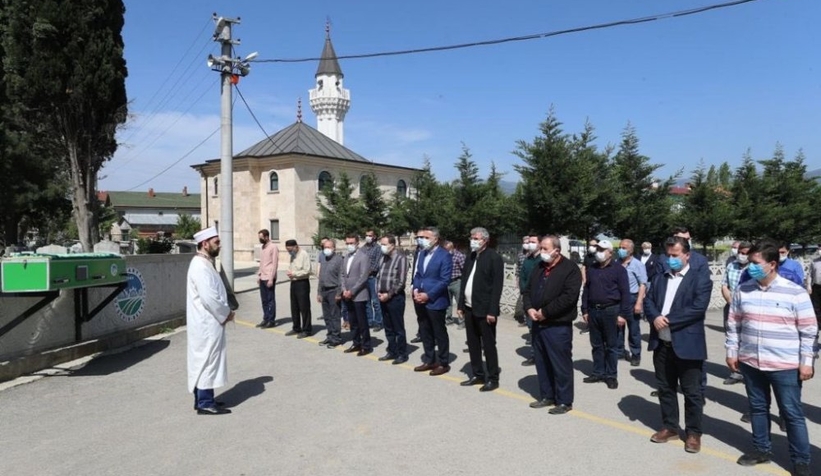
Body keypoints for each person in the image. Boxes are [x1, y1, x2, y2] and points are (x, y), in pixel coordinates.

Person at [726, 240, 816, 476]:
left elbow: (808, 330)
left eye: (755, 263)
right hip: (751, 362)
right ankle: (761, 449)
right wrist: (731, 351)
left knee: (792, 413)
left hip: (784, 365)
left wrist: (807, 362)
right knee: (757, 408)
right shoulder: (743, 290)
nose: (750, 267)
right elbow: (733, 323)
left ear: (772, 264)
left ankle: (801, 459)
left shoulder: (794, 292)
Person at [644, 236, 712, 454]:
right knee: (665, 388)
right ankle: (670, 427)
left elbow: (698, 308)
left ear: (687, 255)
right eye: (669, 255)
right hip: (662, 343)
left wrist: (669, 319)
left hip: (687, 344)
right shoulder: (660, 277)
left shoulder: (700, 278)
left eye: (675, 255)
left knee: (692, 392)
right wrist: (655, 316)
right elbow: (648, 300)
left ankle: (693, 433)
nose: (671, 259)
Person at [523, 235, 582, 414]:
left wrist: (545, 312)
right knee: (542, 361)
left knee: (560, 364)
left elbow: (569, 297)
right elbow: (527, 291)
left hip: (557, 325)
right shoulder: (539, 267)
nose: (541, 252)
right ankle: (547, 395)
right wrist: (529, 308)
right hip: (538, 323)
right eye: (541, 248)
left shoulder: (570, 269)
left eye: (545, 249)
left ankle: (564, 400)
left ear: (557, 250)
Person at [187, 226, 234, 415]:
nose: (219, 245)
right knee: (207, 360)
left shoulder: (205, 263)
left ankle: (204, 398)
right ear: (205, 244)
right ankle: (205, 402)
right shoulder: (199, 266)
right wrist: (226, 313)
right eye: (216, 242)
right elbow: (209, 298)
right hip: (207, 323)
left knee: (208, 359)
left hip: (210, 322)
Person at [458, 227, 504, 392]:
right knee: (472, 343)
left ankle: (493, 378)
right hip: (470, 308)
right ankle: (478, 374)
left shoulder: (494, 258)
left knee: (489, 344)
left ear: (485, 240)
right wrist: (460, 305)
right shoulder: (471, 256)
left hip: (485, 310)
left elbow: (497, 287)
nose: (473, 240)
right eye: (471, 237)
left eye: (476, 238)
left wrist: (492, 311)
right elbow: (464, 280)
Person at [580, 240, 631, 389]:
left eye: (602, 249)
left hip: (611, 311)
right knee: (596, 344)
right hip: (594, 310)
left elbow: (625, 294)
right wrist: (585, 310)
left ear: (610, 252)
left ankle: (611, 375)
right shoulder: (592, 268)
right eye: (598, 249)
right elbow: (587, 290)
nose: (599, 252)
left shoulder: (619, 270)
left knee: (611, 345)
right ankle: (598, 372)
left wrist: (623, 314)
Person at [412, 226, 453, 376]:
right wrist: (416, 290)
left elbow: (444, 280)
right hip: (419, 299)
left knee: (439, 332)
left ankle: (443, 362)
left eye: (425, 237)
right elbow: (418, 274)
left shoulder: (445, 256)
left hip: (435, 301)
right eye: (420, 237)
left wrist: (428, 295)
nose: (421, 240)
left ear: (435, 239)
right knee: (425, 330)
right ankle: (429, 360)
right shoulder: (422, 254)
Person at [720, 240, 752, 385]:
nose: (742, 256)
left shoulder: (755, 268)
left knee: (749, 339)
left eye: (745, 253)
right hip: (732, 306)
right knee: (732, 337)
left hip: (749, 308)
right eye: (740, 252)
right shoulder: (731, 266)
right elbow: (724, 285)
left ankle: (751, 372)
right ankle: (736, 372)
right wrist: (730, 300)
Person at [376, 234, 409, 364]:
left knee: (398, 327)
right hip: (382, 296)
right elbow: (379, 277)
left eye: (384, 244)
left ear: (392, 245)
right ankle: (392, 350)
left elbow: (400, 282)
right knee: (388, 327)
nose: (382, 247)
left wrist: (388, 295)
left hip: (394, 298)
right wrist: (378, 293)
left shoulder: (401, 259)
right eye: (381, 244)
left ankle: (402, 353)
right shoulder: (382, 258)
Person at [616, 239, 647, 366]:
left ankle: (635, 354)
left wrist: (639, 302)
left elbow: (643, 284)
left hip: (632, 298)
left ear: (631, 250)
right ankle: (620, 352)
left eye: (624, 247)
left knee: (633, 329)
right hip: (618, 299)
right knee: (618, 327)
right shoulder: (616, 263)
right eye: (620, 247)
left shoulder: (637, 265)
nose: (621, 250)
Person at [341, 234, 373, 356]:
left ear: (357, 243)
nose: (349, 245)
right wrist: (344, 289)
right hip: (347, 294)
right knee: (352, 321)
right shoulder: (346, 257)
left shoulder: (363, 257)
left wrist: (352, 291)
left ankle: (366, 345)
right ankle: (356, 342)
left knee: (361, 321)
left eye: (351, 243)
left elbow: (363, 277)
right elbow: (343, 275)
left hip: (358, 294)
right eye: (347, 243)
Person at [317, 238, 344, 348]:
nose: (326, 249)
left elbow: (341, 278)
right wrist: (319, 292)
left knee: (335, 315)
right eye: (325, 247)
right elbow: (321, 277)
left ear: (334, 248)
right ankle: (330, 335)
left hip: (334, 290)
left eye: (329, 247)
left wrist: (339, 293)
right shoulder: (323, 258)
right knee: (327, 316)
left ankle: (336, 338)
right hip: (324, 290)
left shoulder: (339, 260)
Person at [519, 233, 541, 366]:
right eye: (529, 242)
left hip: (540, 299)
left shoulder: (542, 261)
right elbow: (523, 277)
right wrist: (524, 293)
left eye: (533, 242)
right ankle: (534, 355)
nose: (529, 244)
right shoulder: (527, 260)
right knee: (531, 329)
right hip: (529, 300)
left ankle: (542, 354)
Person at [285, 239, 312, 338]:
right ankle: (296, 327)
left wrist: (294, 274)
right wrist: (289, 272)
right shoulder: (293, 255)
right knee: (294, 306)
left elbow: (307, 270)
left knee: (304, 307)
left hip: (302, 283)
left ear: (296, 246)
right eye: (288, 250)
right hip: (294, 282)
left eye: (290, 249)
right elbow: (291, 266)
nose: (289, 251)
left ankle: (307, 329)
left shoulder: (304, 254)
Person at [255, 229, 278, 329]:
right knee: (264, 300)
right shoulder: (263, 247)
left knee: (270, 299)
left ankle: (271, 320)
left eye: (261, 237)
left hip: (269, 277)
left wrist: (271, 278)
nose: (260, 239)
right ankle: (266, 318)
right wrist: (259, 275)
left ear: (266, 237)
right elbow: (262, 263)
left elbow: (274, 263)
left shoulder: (273, 247)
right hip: (262, 277)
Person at [362, 229, 385, 332]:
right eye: (366, 235)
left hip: (373, 277)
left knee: (375, 301)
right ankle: (369, 321)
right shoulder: (363, 248)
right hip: (363, 278)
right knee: (366, 301)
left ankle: (378, 322)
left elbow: (377, 264)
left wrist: (367, 272)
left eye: (370, 235)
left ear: (374, 236)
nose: (368, 237)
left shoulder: (378, 248)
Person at [443, 241, 465, 328]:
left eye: (447, 249)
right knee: (448, 302)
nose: (446, 251)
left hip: (456, 282)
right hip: (447, 282)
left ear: (452, 248)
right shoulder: (445, 256)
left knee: (460, 301)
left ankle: (462, 320)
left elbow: (464, 270)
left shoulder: (459, 256)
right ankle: (448, 319)